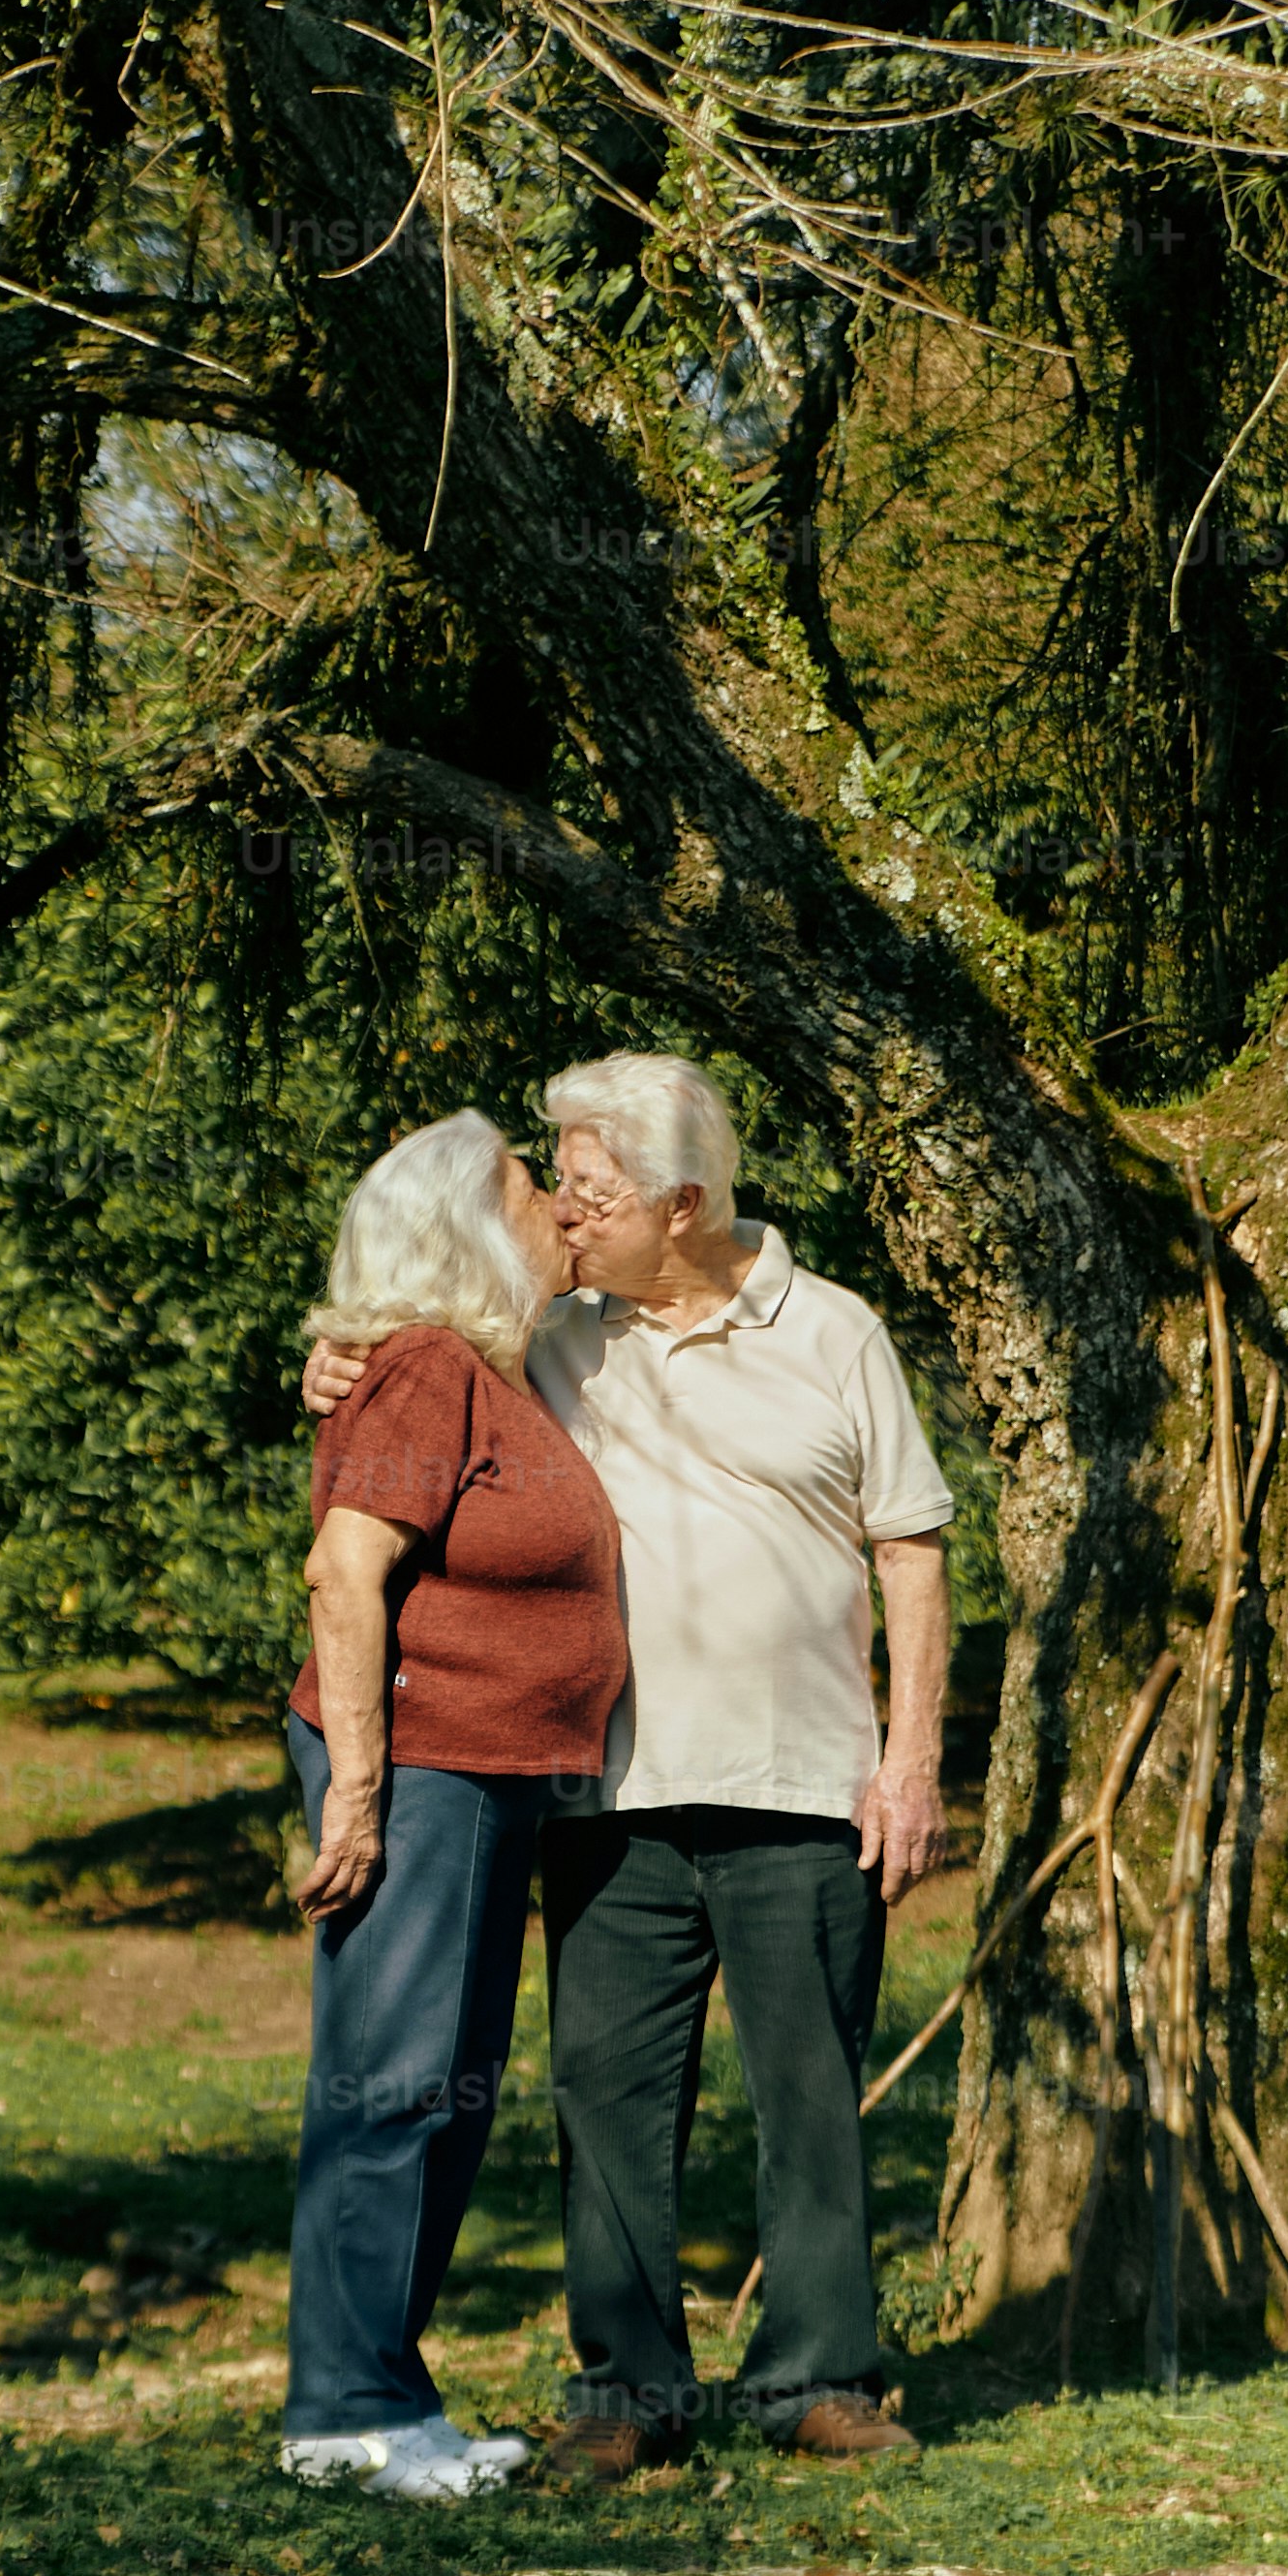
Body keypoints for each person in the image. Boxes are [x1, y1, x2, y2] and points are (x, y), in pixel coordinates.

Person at [308, 1051, 953, 2479]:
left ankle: (820, 2380)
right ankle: (627, 2392)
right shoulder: (553, 1334)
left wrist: (909, 1762)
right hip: (608, 1791)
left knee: (808, 2093)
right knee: (603, 2096)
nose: (569, 1217)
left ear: (685, 1199)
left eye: (594, 1194)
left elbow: (910, 1549)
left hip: (806, 1784)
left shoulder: (838, 1331)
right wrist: (334, 1357)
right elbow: (412, 1373)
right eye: (563, 1190)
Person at [281, 1108, 629, 2501]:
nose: (555, 1200)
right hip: (416, 1769)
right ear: (471, 1228)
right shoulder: (429, 1369)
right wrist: (358, 1797)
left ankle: (385, 2396)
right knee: (394, 2079)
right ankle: (345, 2410)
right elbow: (341, 1575)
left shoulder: (483, 1369)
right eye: (528, 1183)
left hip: (481, 1781)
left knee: (445, 2086)